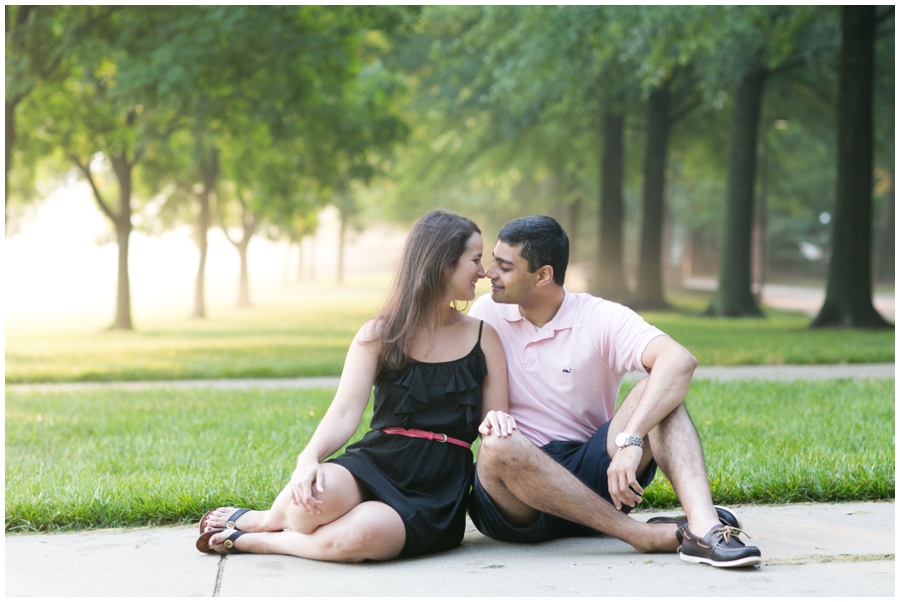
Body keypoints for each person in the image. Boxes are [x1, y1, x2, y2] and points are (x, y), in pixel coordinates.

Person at [196, 210, 516, 561]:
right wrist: (309, 458)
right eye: (475, 260)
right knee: (309, 502)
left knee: (362, 537)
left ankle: (260, 540)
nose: (483, 272)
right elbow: (346, 411)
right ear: (442, 264)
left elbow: (494, 424)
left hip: (437, 485)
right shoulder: (379, 334)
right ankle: (267, 520)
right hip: (378, 461)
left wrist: (497, 427)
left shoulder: (485, 338)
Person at [467, 215, 761, 569]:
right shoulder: (486, 313)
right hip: (517, 497)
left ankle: (704, 528)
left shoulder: (599, 317)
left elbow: (679, 361)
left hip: (590, 474)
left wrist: (631, 439)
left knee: (658, 390)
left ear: (543, 275)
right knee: (497, 444)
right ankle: (641, 535)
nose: (489, 273)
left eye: (504, 266)